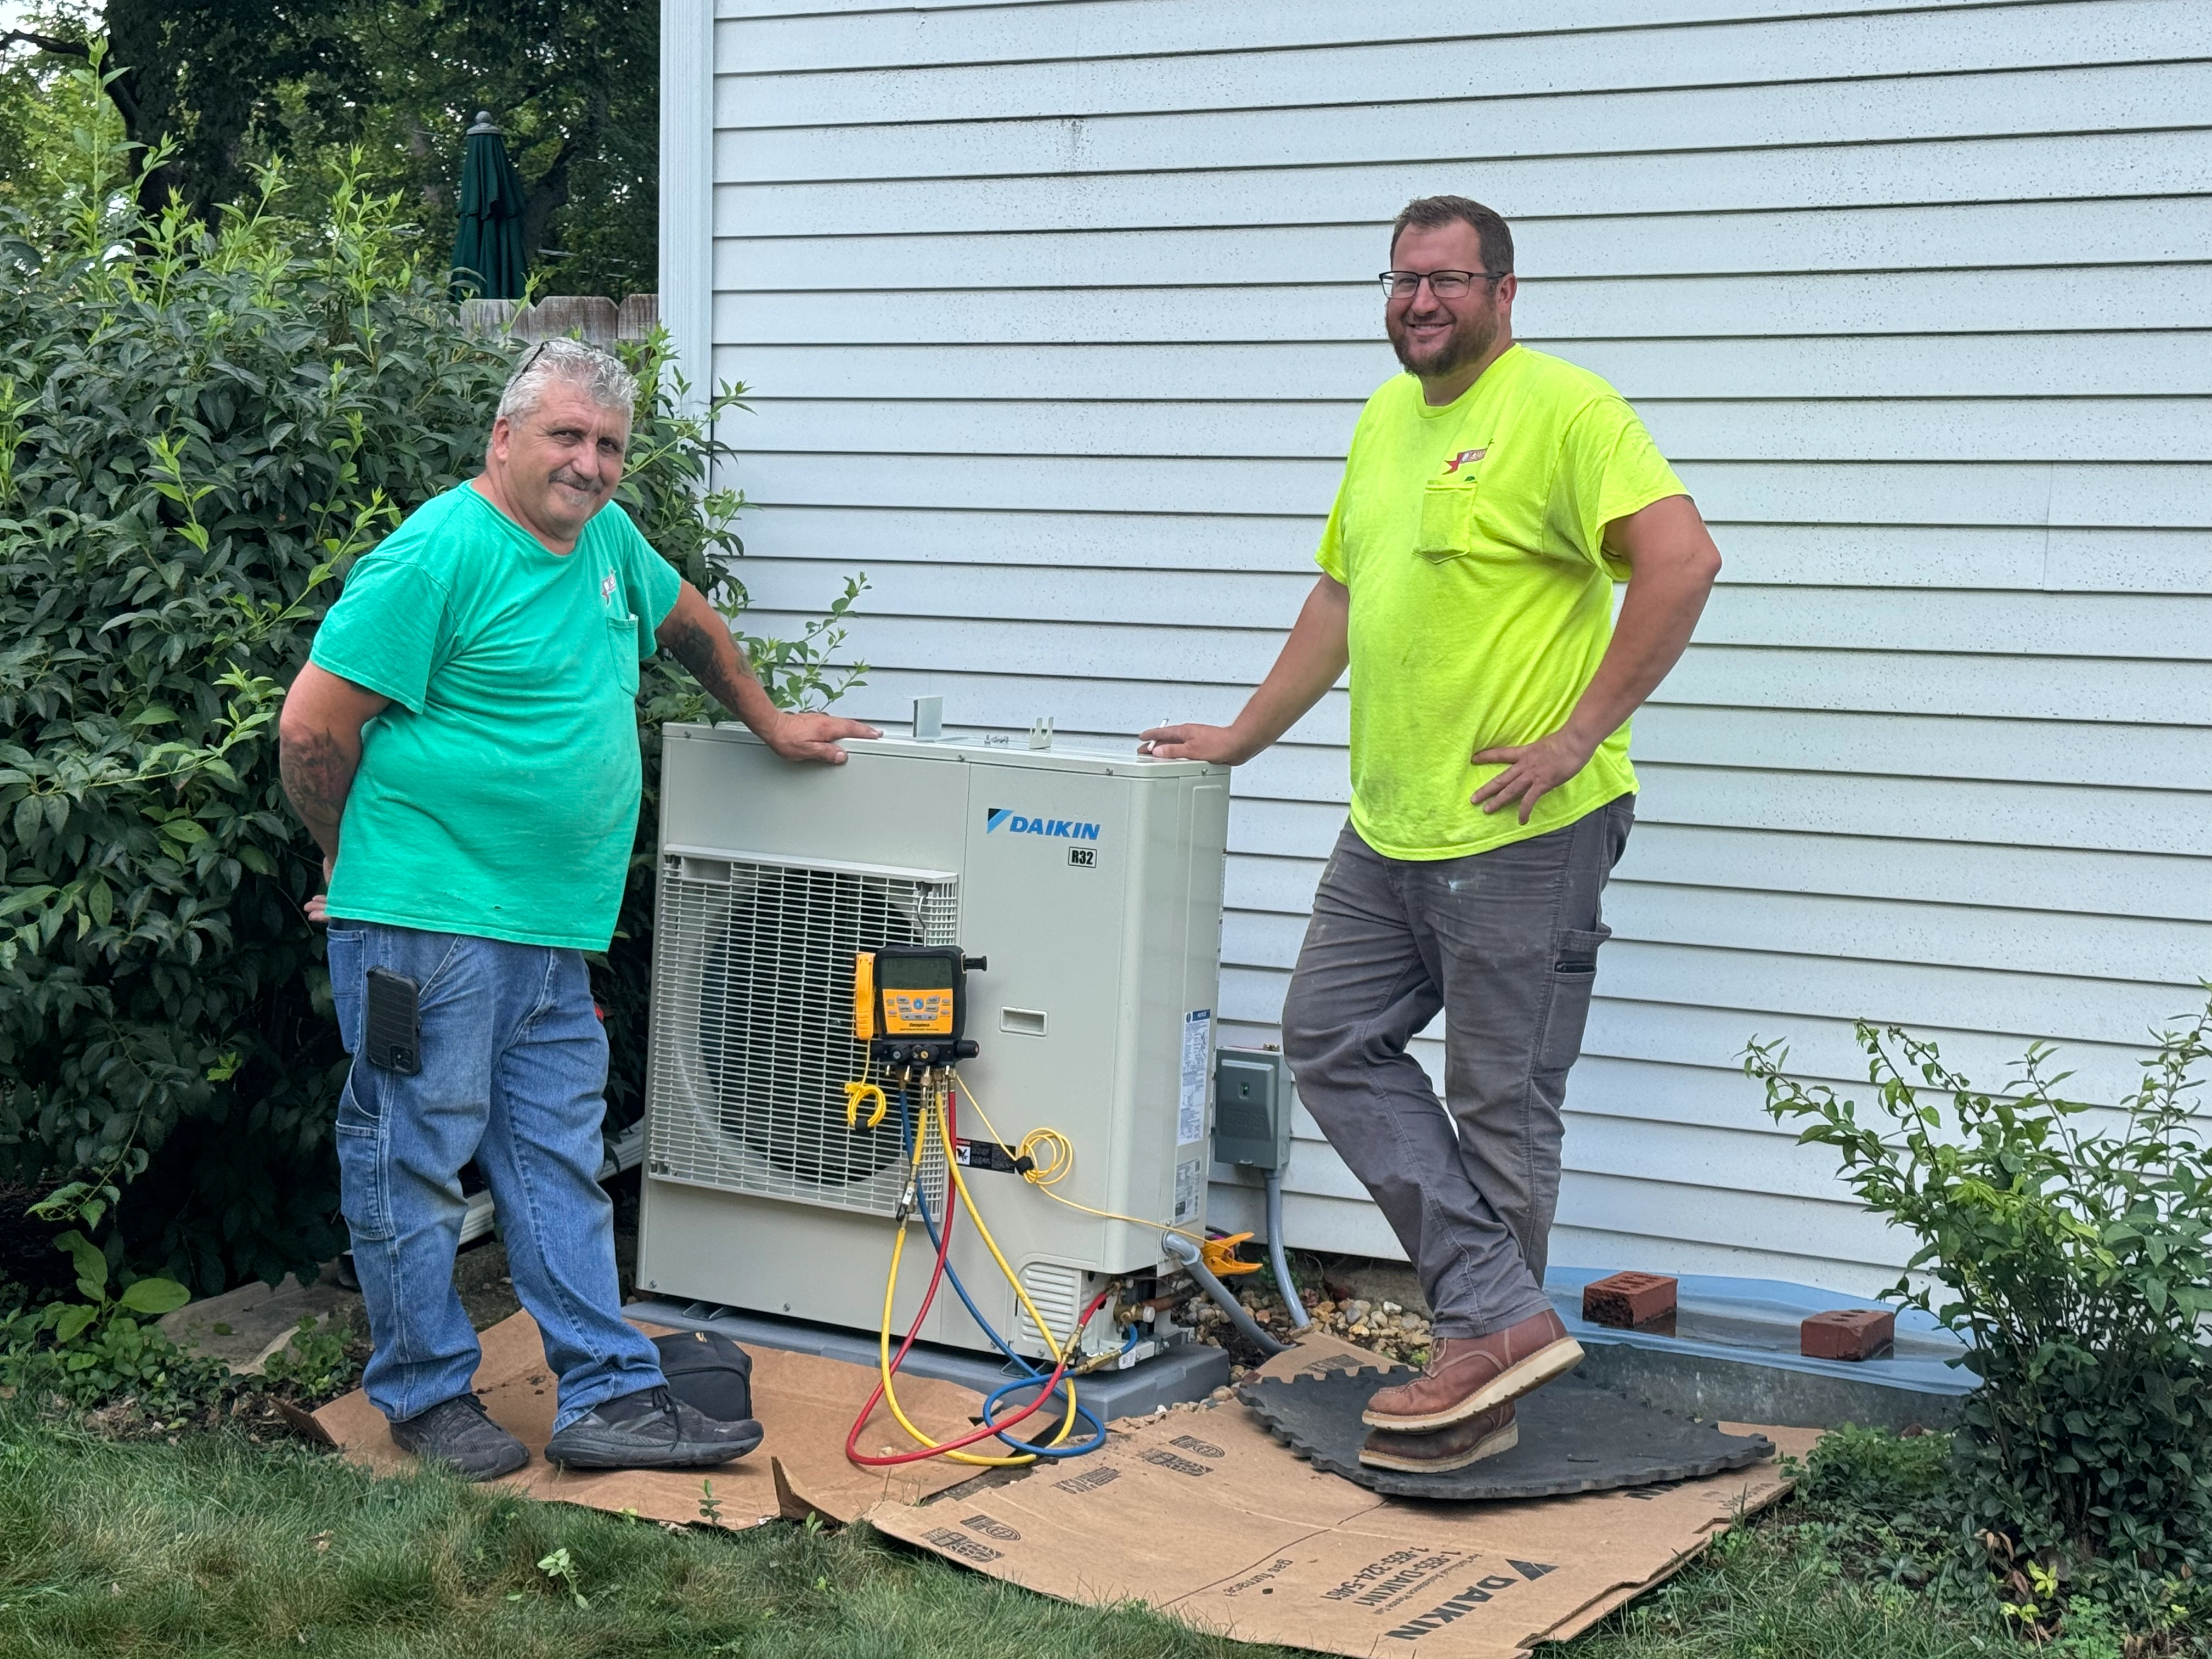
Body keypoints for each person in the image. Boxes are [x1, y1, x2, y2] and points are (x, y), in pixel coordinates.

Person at [1142, 197, 1721, 1473]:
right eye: (1402, 279)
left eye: (1447, 280)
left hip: (1527, 827)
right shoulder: (1386, 417)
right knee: (1330, 1038)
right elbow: (1346, 593)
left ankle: (1485, 1389)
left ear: (1505, 292)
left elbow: (1681, 562)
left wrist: (1577, 734)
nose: (1420, 302)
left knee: (1501, 1103)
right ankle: (1499, 1315)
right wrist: (1243, 734)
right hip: (1389, 826)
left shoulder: (1565, 411)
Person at [278, 339, 879, 1480]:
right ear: (503, 439)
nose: (591, 463)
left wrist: (769, 718)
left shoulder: (606, 544)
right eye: (567, 435)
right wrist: (351, 868)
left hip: (550, 931)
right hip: (430, 923)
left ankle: (608, 1398)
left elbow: (686, 617)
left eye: (608, 445)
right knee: (411, 1156)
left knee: (557, 1159)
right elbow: (312, 727)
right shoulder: (440, 554)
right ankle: (422, 1395)